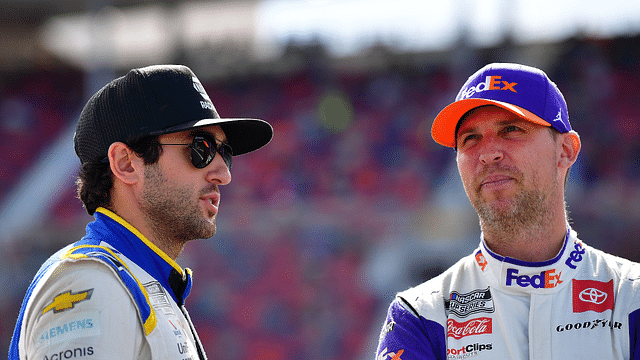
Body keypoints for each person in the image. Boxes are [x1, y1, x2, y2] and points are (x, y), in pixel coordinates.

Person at [375, 63, 640, 359]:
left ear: (566, 150)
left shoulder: (632, 298)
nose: (488, 154)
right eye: (470, 139)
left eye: (511, 130)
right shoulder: (419, 316)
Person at [9, 64, 273, 360]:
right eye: (202, 148)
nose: (223, 174)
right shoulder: (90, 282)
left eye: (224, 154)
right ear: (126, 164)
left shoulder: (142, 282)